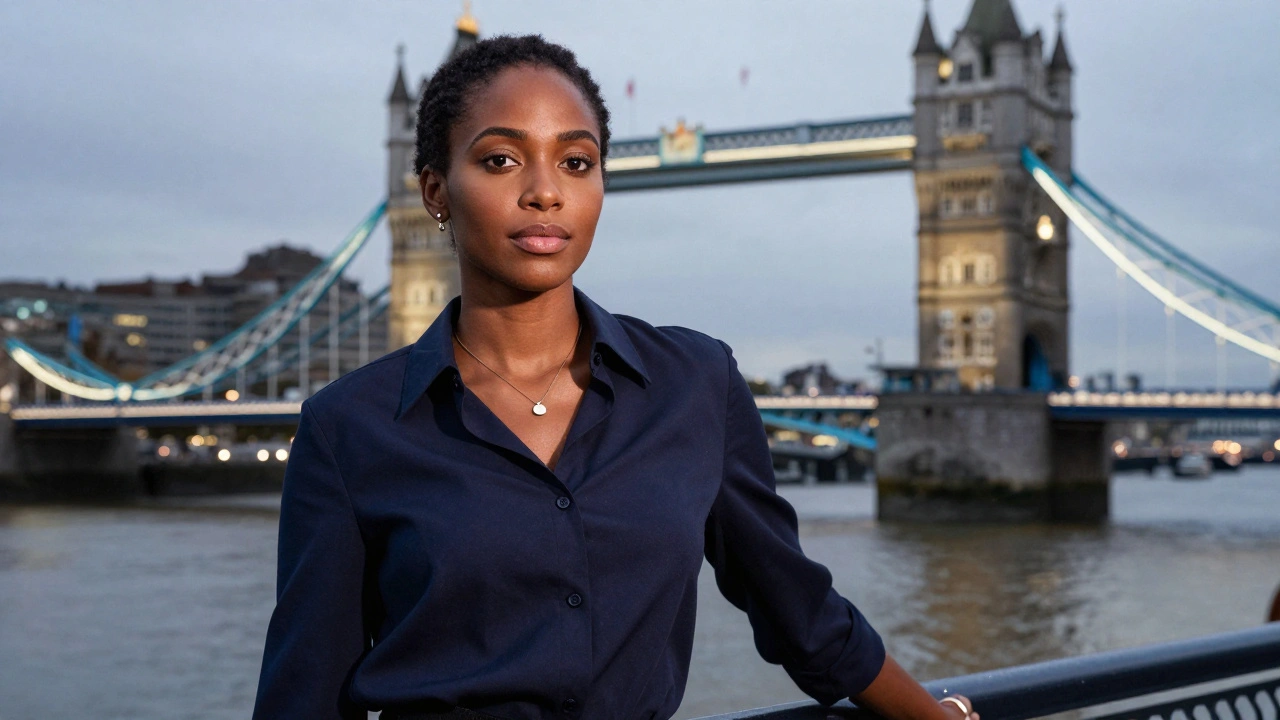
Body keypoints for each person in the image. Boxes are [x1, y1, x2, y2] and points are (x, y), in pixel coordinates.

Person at [252, 34, 980, 720]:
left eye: (576, 162)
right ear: (436, 191)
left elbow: (801, 615)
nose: (546, 193)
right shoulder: (349, 427)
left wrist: (931, 716)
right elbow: (304, 695)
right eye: (502, 160)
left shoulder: (696, 385)